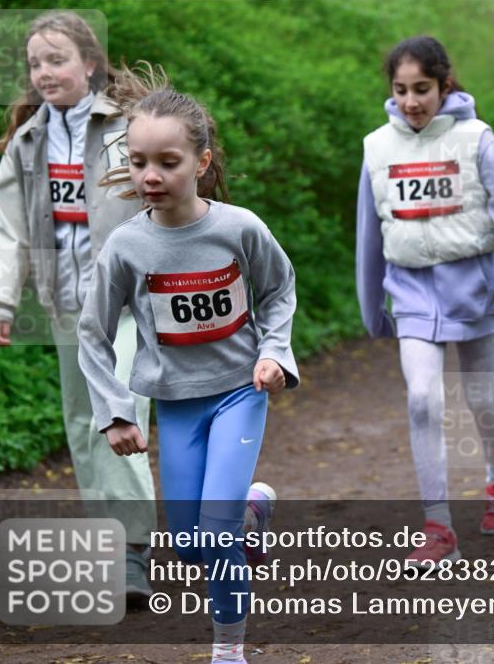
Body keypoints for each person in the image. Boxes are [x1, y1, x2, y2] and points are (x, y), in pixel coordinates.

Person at [78, 74, 299, 664]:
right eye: (138, 162)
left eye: (167, 162)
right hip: (175, 403)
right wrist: (115, 412)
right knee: (190, 545)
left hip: (239, 392)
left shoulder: (238, 228)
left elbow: (279, 290)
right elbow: (93, 333)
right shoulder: (126, 247)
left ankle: (228, 651)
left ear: (201, 163)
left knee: (217, 533)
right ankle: (252, 509)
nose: (150, 175)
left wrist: (274, 353)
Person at [356, 36, 494, 565]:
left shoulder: (475, 138)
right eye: (401, 90)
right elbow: (369, 233)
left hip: (474, 288)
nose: (411, 101)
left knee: (481, 398)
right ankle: (438, 525)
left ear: (444, 86)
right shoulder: (377, 147)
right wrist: (371, 304)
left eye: (421, 89)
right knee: (422, 399)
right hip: (411, 291)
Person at [0, 10, 157, 606]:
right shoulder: (27, 145)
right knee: (84, 424)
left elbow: (165, 201)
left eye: (56, 60)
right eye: (35, 63)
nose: (44, 72)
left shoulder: (127, 130)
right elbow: (11, 232)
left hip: (129, 302)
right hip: (66, 307)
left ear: (89, 64)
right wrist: (2, 300)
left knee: (120, 410)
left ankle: (134, 549)